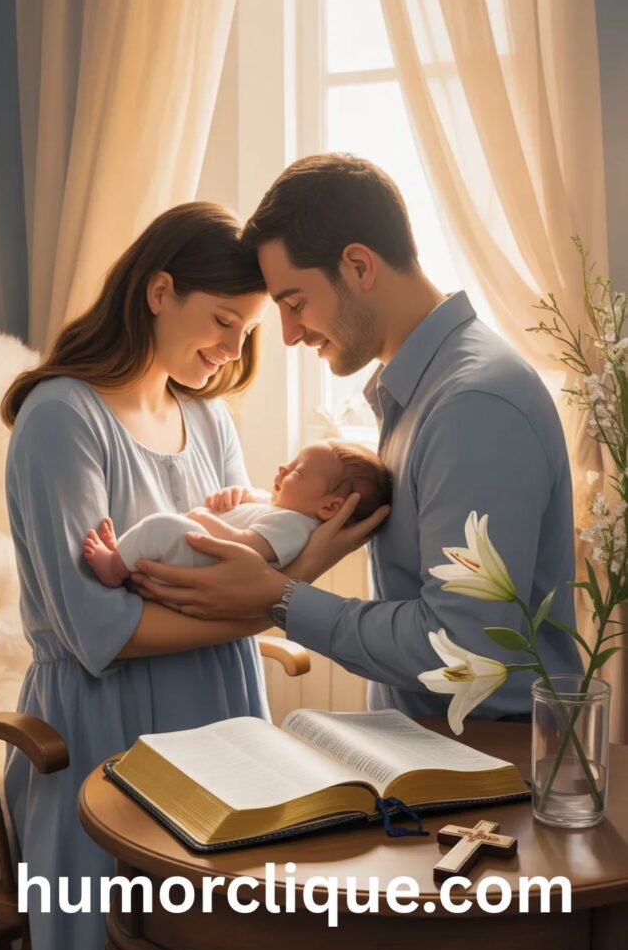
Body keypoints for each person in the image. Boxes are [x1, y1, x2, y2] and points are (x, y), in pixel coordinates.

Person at [1, 200, 385, 950]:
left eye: (243, 333)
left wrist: (282, 585)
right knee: (110, 936)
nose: (231, 350)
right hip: (106, 727)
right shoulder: (63, 418)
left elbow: (253, 560)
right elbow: (101, 633)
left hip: (222, 707)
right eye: (222, 323)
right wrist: (287, 597)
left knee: (227, 935)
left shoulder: (206, 419)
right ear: (158, 291)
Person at [129, 155, 583, 723]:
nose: (289, 334)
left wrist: (281, 597)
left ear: (359, 266)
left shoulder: (472, 404)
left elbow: (463, 650)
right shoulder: (418, 393)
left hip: (490, 766)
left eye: (294, 303)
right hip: (430, 752)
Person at [84, 439, 393, 583]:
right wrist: (234, 496)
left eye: (297, 472)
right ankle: (122, 554)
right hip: (196, 555)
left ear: (328, 507)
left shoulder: (296, 527)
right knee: (160, 528)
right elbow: (249, 506)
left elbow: (247, 546)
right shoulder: (279, 507)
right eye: (292, 459)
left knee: (161, 526)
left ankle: (114, 569)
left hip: (205, 563)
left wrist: (205, 518)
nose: (284, 467)